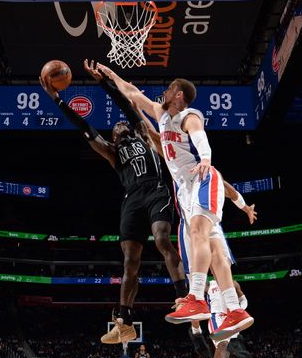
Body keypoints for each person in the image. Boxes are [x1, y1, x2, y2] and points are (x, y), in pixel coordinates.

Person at [97, 63, 254, 340]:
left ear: (179, 94)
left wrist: (205, 158)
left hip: (201, 179)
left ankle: (195, 297)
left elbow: (200, 137)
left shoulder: (188, 115)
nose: (164, 91)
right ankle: (234, 309)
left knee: (196, 234)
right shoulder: (161, 122)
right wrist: (110, 76)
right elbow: (133, 95)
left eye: (169, 88)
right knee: (213, 249)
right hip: (186, 191)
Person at [41, 60, 190, 348]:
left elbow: (126, 106)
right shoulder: (110, 152)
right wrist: (58, 100)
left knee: (161, 239)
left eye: (123, 124)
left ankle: (183, 296)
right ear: (112, 136)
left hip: (156, 190)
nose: (119, 125)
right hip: (132, 199)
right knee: (129, 264)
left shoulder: (144, 136)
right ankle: (124, 323)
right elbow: (83, 125)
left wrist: (103, 82)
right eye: (115, 127)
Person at [191, 280, 249, 358]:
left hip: (231, 319)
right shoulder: (209, 284)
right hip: (215, 319)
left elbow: (244, 300)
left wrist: (239, 310)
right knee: (223, 350)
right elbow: (195, 296)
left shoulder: (233, 283)